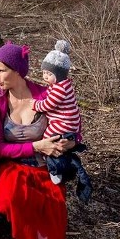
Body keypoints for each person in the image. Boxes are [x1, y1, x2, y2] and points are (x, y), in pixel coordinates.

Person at [0, 42, 76, 239]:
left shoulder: (47, 94)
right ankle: (19, 232)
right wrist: (36, 146)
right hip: (13, 164)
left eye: (1, 70)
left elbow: (73, 126)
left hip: (46, 165)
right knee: (8, 200)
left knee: (52, 209)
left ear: (17, 70)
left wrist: (70, 143)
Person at [32, 40, 93, 203]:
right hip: (69, 123)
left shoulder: (60, 88)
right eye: (44, 72)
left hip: (64, 123)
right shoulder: (63, 85)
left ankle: (55, 169)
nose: (45, 76)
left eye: (49, 74)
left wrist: (36, 105)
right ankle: (60, 166)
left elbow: (49, 104)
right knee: (56, 145)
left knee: (48, 139)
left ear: (58, 74)